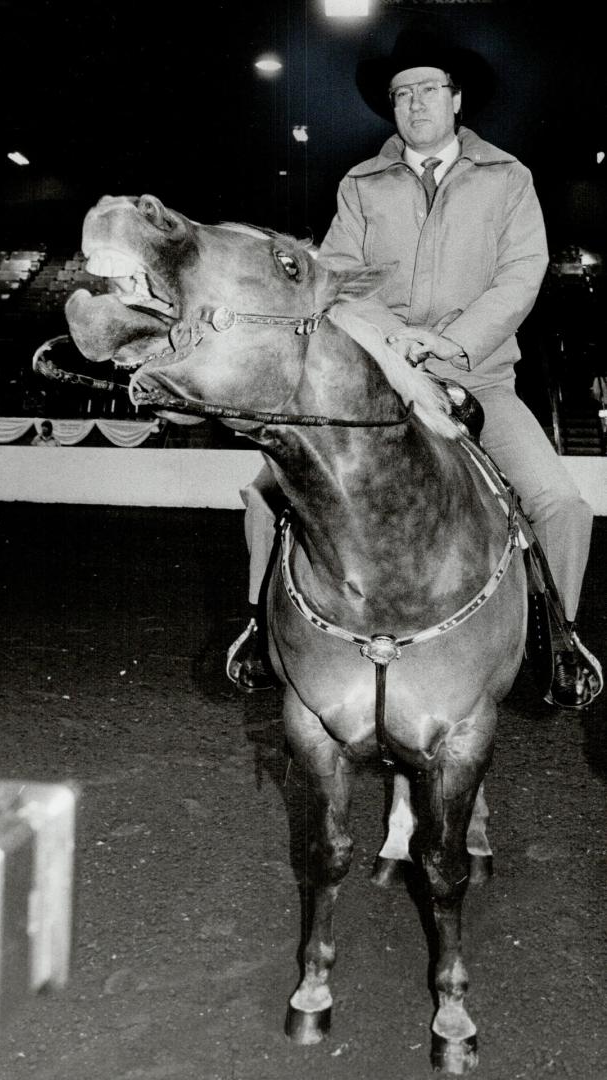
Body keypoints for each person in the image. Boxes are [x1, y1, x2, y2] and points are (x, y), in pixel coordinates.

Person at [227, 28, 602, 710]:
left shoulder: (508, 179)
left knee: (563, 505)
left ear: (457, 101)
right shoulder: (362, 185)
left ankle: (557, 644)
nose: (416, 103)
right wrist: (400, 340)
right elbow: (339, 276)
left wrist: (451, 343)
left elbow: (522, 275)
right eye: (403, 94)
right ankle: (261, 632)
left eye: (430, 89)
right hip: (380, 377)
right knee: (266, 490)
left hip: (480, 378)